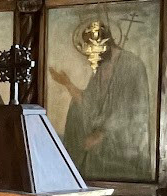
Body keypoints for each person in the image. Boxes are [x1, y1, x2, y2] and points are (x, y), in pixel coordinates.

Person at [52, 37, 152, 181]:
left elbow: (134, 110)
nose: (100, 71)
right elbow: (88, 103)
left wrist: (102, 134)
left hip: (124, 149)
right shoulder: (101, 66)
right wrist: (67, 84)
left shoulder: (132, 65)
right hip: (99, 149)